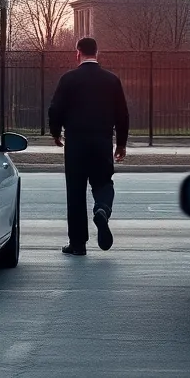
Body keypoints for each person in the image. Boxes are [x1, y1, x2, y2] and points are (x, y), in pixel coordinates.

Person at [47, 36, 129, 256]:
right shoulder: (111, 80)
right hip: (102, 141)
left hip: (75, 142)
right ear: (97, 53)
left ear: (78, 53)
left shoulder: (68, 79)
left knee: (75, 191)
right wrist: (120, 143)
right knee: (103, 182)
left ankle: (78, 243)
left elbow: (55, 109)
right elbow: (122, 114)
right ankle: (102, 207)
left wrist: (56, 133)